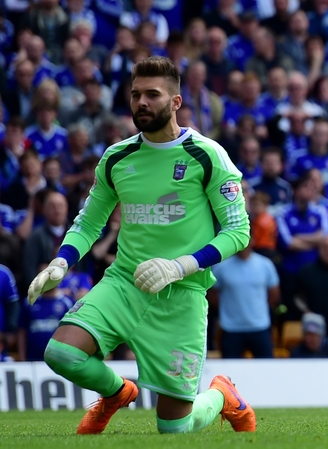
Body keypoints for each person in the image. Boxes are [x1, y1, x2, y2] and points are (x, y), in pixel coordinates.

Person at [26, 57, 256, 434]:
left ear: (176, 102)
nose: (142, 103)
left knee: (175, 429)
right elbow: (88, 222)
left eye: (152, 94)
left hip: (180, 294)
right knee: (61, 353)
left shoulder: (207, 155)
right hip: (124, 283)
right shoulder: (117, 157)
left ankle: (223, 394)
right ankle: (117, 394)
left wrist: (180, 265)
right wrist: (61, 262)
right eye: (135, 95)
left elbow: (238, 232)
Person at [209, 230, 281, 359]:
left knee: (267, 369)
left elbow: (274, 294)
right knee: (229, 373)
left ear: (252, 240)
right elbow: (212, 293)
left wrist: (260, 309)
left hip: (260, 326)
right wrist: (226, 309)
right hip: (231, 328)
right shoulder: (221, 267)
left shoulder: (265, 265)